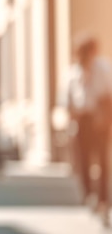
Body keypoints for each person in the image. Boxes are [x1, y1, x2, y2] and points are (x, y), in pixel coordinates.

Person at [66, 32, 112, 226]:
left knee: (101, 160)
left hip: (99, 117)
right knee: (82, 159)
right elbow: (68, 100)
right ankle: (89, 194)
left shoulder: (103, 68)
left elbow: (108, 95)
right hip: (82, 120)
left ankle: (102, 199)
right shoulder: (72, 73)